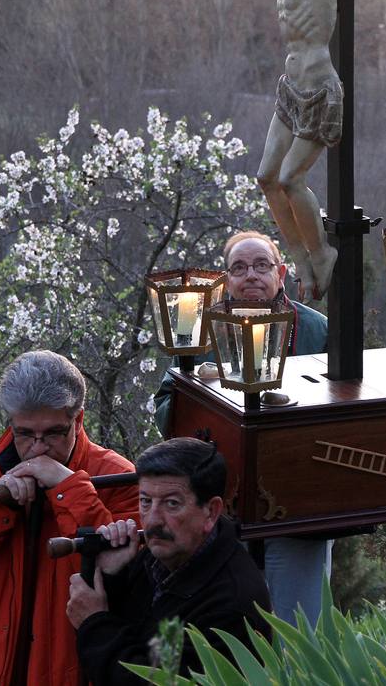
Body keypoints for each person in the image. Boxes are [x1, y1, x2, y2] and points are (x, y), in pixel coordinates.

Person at [0, 350, 138, 686]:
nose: (38, 449)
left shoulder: (117, 477)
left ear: (77, 420)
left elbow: (126, 581)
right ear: (11, 422)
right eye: (25, 434)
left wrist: (68, 488)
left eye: (52, 433)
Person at [153, 230, 331, 626]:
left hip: (297, 505)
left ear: (281, 273)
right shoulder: (199, 329)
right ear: (225, 280)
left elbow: (342, 402)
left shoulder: (316, 330)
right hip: (222, 508)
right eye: (239, 268)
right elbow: (166, 407)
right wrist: (205, 394)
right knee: (231, 630)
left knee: (299, 631)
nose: (251, 275)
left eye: (261, 265)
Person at [237, 0, 386, 298]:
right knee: (266, 178)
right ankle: (300, 256)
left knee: (292, 179)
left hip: (318, 88)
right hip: (290, 88)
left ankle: (320, 252)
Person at [68, 438, 271, 684]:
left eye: (171, 504)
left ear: (211, 511)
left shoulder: (230, 604)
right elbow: (137, 638)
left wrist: (94, 622)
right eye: (145, 501)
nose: (153, 520)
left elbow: (153, 680)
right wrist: (114, 577)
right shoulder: (164, 554)